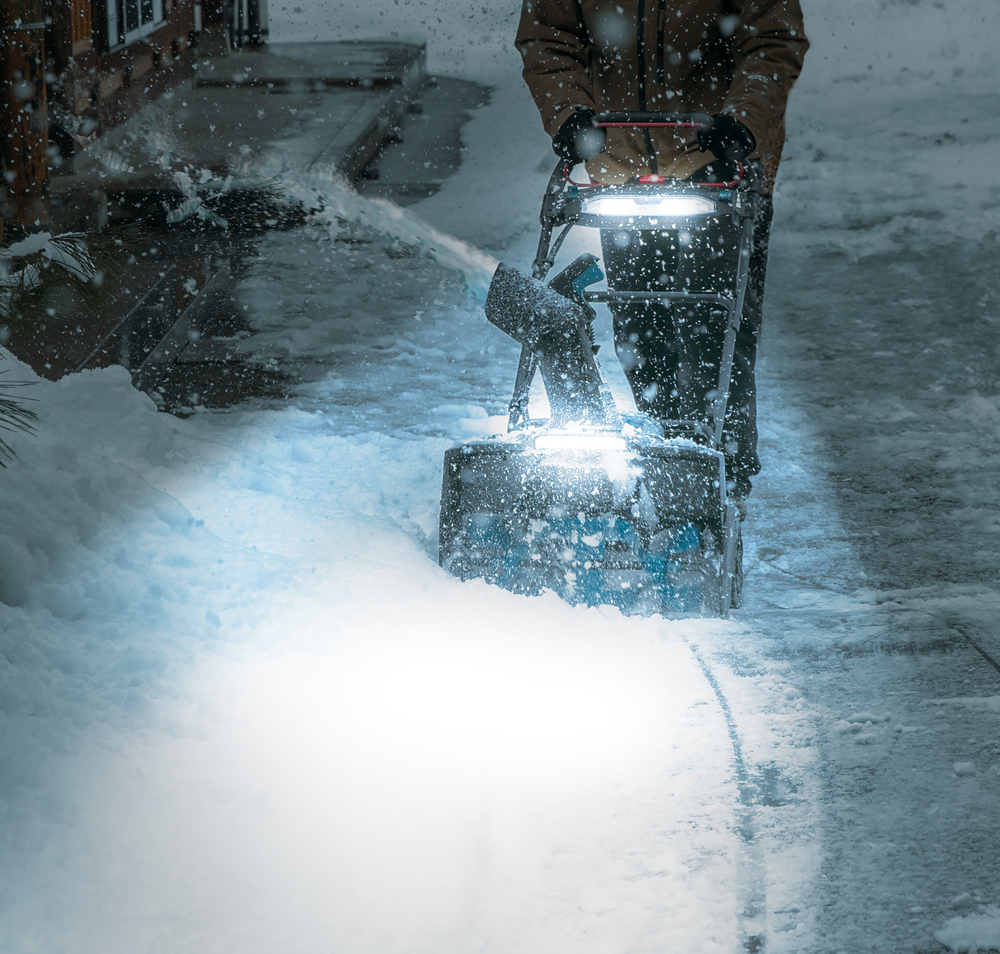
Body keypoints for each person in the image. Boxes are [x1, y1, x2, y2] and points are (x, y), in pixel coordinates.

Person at [515, 0, 808, 503]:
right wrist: (569, 116)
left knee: (716, 328)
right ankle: (661, 460)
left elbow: (772, 39)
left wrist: (741, 121)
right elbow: (548, 37)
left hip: (719, 164)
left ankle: (724, 471)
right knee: (638, 326)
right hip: (621, 161)